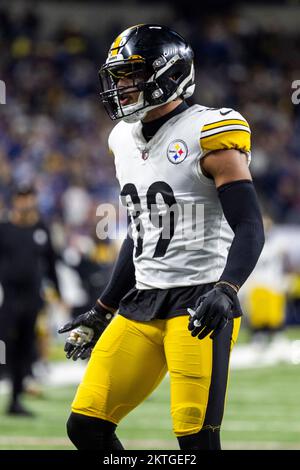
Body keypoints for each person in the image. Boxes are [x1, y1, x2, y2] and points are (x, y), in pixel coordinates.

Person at [59, 24, 265, 450]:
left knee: (195, 442)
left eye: (130, 74)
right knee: (86, 426)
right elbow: (141, 233)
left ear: (169, 75)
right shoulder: (122, 138)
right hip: (142, 302)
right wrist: (102, 308)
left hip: (200, 303)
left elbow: (249, 225)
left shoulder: (210, 131)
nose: (119, 85)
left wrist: (227, 288)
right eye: (117, 76)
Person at [0, 184, 61, 416]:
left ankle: (14, 400)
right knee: (5, 346)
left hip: (32, 300)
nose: (25, 202)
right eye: (21, 197)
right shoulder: (4, 229)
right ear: (14, 200)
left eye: (29, 197)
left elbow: (51, 264)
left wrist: (59, 294)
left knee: (25, 349)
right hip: (7, 299)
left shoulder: (41, 229)